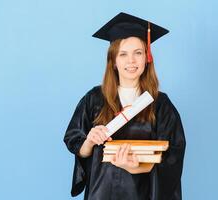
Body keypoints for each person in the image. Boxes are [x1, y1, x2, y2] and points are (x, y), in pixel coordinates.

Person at [64, 12, 186, 200]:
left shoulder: (160, 104)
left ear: (147, 58)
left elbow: (172, 157)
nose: (131, 61)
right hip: (101, 193)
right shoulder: (93, 99)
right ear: (113, 61)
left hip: (142, 194)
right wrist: (89, 140)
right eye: (123, 54)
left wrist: (133, 166)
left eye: (138, 53)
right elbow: (76, 144)